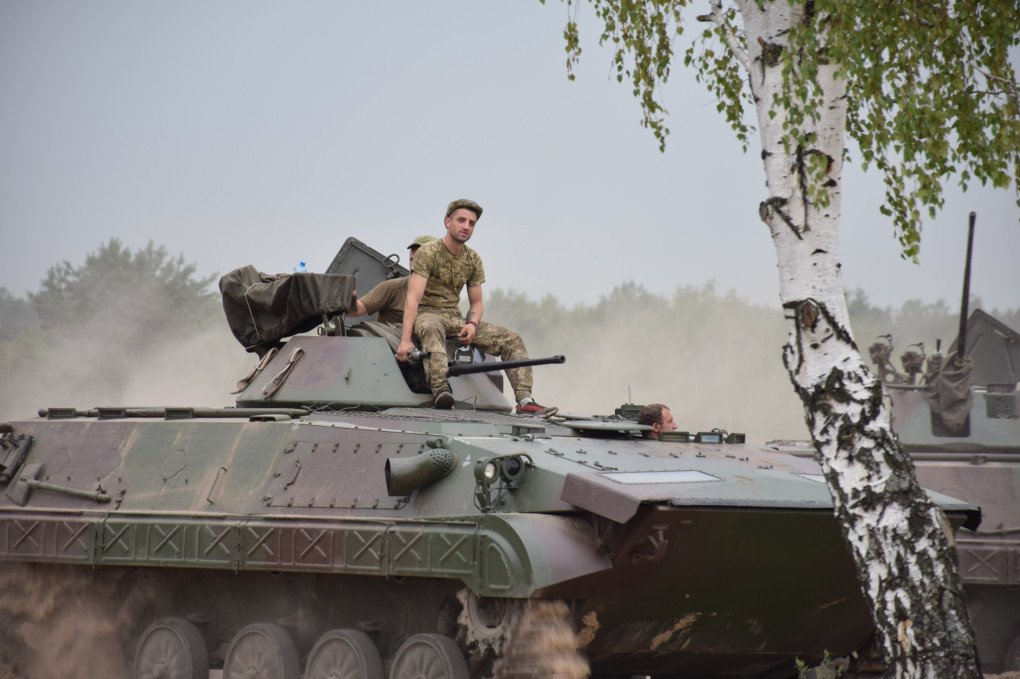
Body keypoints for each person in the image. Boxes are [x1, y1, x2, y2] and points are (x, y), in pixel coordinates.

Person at [396, 199, 552, 414]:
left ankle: (525, 400)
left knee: (511, 339)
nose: (466, 226)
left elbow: (476, 302)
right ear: (447, 222)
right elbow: (413, 298)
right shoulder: (428, 253)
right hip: (428, 313)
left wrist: (472, 324)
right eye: (461, 220)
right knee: (431, 328)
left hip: (455, 317)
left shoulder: (473, 259)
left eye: (471, 223)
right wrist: (405, 341)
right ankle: (442, 390)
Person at [351, 235, 435, 323]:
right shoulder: (392, 288)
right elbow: (356, 310)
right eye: (412, 260)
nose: (414, 265)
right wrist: (350, 299)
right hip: (391, 335)